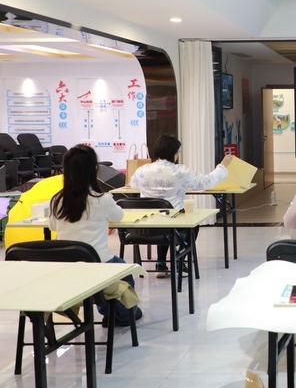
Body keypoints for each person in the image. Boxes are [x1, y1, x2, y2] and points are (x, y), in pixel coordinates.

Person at [49, 144, 142, 325]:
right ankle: (122, 315)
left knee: (110, 272)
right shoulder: (102, 199)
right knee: (123, 270)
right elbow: (119, 216)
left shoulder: (57, 200)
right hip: (98, 264)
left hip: (65, 266)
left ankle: (109, 312)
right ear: (95, 169)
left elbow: (53, 226)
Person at [130, 134, 233, 277]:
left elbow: (134, 186)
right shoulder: (181, 171)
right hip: (172, 225)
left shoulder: (142, 170)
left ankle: (160, 264)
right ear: (173, 153)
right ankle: (178, 260)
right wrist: (222, 166)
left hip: (144, 227)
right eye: (178, 152)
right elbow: (205, 182)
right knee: (191, 223)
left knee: (162, 217)